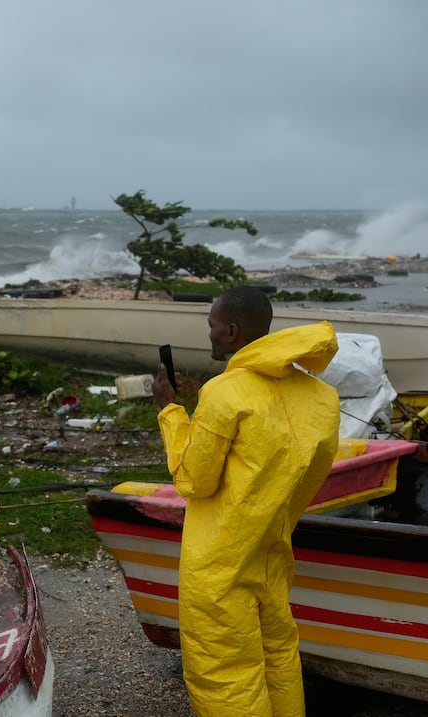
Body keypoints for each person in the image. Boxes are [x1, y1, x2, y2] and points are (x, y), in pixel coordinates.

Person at [152, 286, 340, 716]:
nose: (210, 333)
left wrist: (170, 410)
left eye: (213, 325)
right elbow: (309, 474)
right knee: (279, 657)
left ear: (232, 331)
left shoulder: (225, 392)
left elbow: (194, 480)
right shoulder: (321, 397)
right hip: (272, 549)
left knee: (226, 671)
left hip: (220, 561)